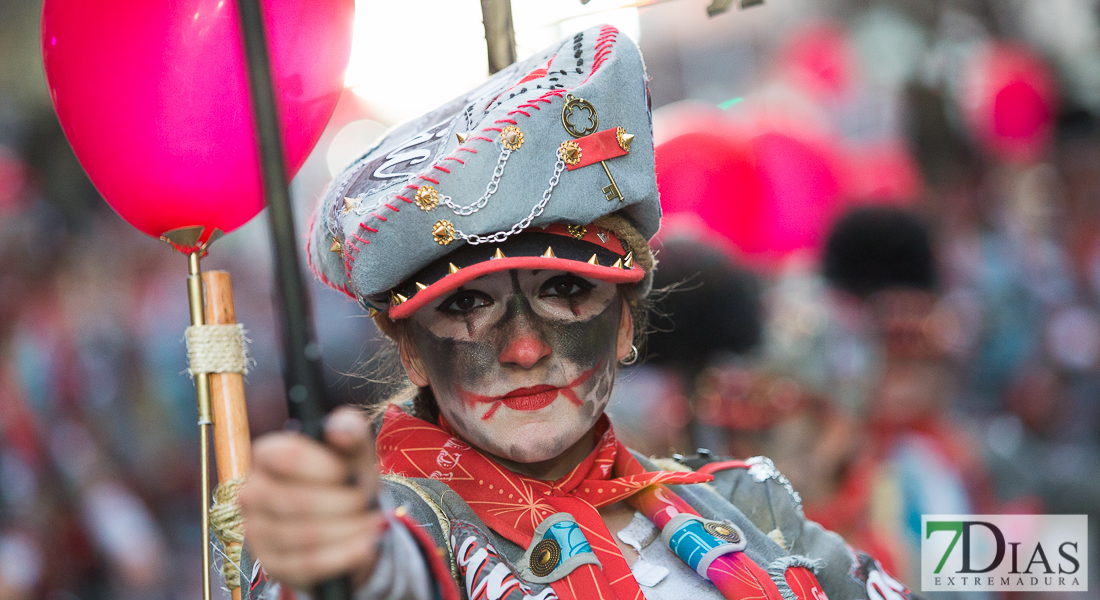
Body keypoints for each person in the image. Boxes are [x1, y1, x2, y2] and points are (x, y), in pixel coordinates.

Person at [238, 26, 914, 600]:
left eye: (565, 292)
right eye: (469, 304)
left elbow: (986, 567)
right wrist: (350, 561)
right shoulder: (395, 533)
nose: (525, 349)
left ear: (624, 323)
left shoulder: (743, 505)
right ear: (410, 348)